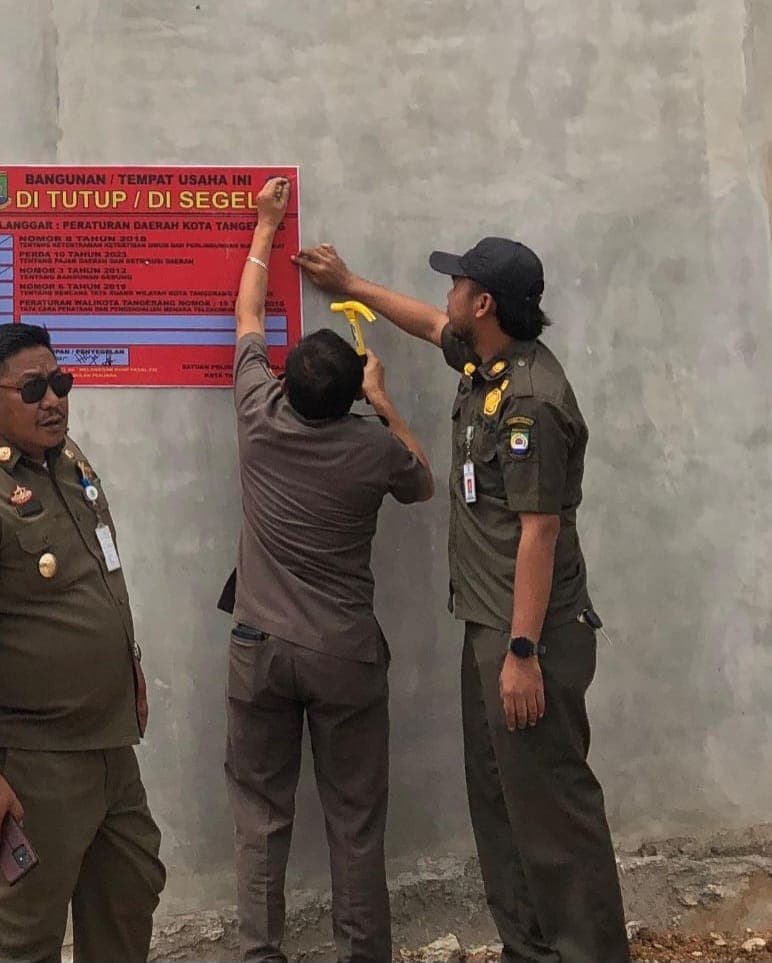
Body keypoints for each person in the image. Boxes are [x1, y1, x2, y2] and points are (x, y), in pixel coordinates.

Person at [294, 237, 629, 962]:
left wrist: (522, 651)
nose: (446, 294)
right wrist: (351, 281)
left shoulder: (530, 401)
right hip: (490, 627)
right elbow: (422, 321)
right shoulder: (487, 365)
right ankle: (529, 948)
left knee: (553, 813)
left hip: (527, 637)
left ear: (483, 304)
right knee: (503, 806)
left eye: (457, 284)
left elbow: (539, 532)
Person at [225, 176, 435, 963]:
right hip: (345, 655)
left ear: (284, 379)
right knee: (354, 822)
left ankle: (258, 954)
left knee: (260, 817)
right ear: (350, 391)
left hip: (260, 648)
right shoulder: (373, 446)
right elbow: (422, 481)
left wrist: (265, 225)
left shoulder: (257, 414)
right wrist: (384, 401)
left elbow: (246, 314)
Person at [0, 323, 165, 962]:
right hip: (36, 762)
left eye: (59, 382)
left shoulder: (68, 463)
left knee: (128, 899)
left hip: (110, 745)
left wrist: (127, 670)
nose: (52, 399)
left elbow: (99, 576)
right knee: (25, 937)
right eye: (32, 389)